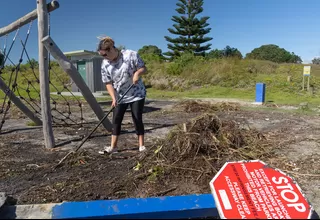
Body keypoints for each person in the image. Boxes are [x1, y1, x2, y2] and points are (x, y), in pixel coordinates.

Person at [97, 36, 147, 154]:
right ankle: (113, 147)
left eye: (104, 54)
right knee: (116, 119)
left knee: (137, 118)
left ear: (111, 49)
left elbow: (144, 68)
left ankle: (141, 146)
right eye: (101, 55)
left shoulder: (130, 55)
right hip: (120, 95)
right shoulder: (105, 64)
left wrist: (137, 73)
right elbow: (108, 83)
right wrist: (113, 98)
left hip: (136, 93)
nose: (104, 57)